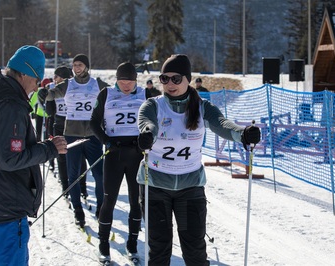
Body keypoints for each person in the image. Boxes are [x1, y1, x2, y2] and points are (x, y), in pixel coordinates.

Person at [137, 54, 261, 265]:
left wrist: (243, 133)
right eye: (164, 78)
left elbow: (222, 124)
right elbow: (147, 123)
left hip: (190, 188)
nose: (169, 84)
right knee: (159, 250)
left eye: (176, 78)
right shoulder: (153, 105)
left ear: (188, 79)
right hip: (156, 186)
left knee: (194, 251)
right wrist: (148, 133)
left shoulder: (203, 107)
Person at [0, 45, 67, 266]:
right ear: (23, 73)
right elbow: (10, 158)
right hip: (6, 204)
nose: (35, 88)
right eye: (35, 80)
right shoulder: (11, 105)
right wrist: (49, 149)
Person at [90, 62, 151, 263]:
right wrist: (106, 141)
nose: (126, 86)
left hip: (136, 154)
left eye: (130, 82)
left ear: (136, 80)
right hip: (114, 153)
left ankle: (132, 246)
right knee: (109, 200)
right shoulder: (106, 94)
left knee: (137, 202)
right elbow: (93, 122)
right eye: (122, 81)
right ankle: (104, 246)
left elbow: (156, 122)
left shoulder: (146, 95)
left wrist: (146, 140)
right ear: (116, 80)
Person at [38, 54, 104, 227]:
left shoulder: (97, 84)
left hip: (93, 135)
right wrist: (43, 93)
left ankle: (101, 209)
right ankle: (78, 211)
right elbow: (50, 94)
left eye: (80, 65)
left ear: (87, 66)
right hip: (72, 134)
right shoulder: (68, 84)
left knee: (100, 175)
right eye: (74, 65)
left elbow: (114, 93)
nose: (77, 68)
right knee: (73, 175)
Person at [45, 66, 88, 198]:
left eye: (56, 77)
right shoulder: (53, 89)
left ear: (63, 78)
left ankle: (82, 187)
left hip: (74, 124)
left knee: (79, 157)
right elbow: (49, 112)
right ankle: (66, 187)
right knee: (62, 157)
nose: (54, 79)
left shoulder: (75, 87)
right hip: (59, 124)